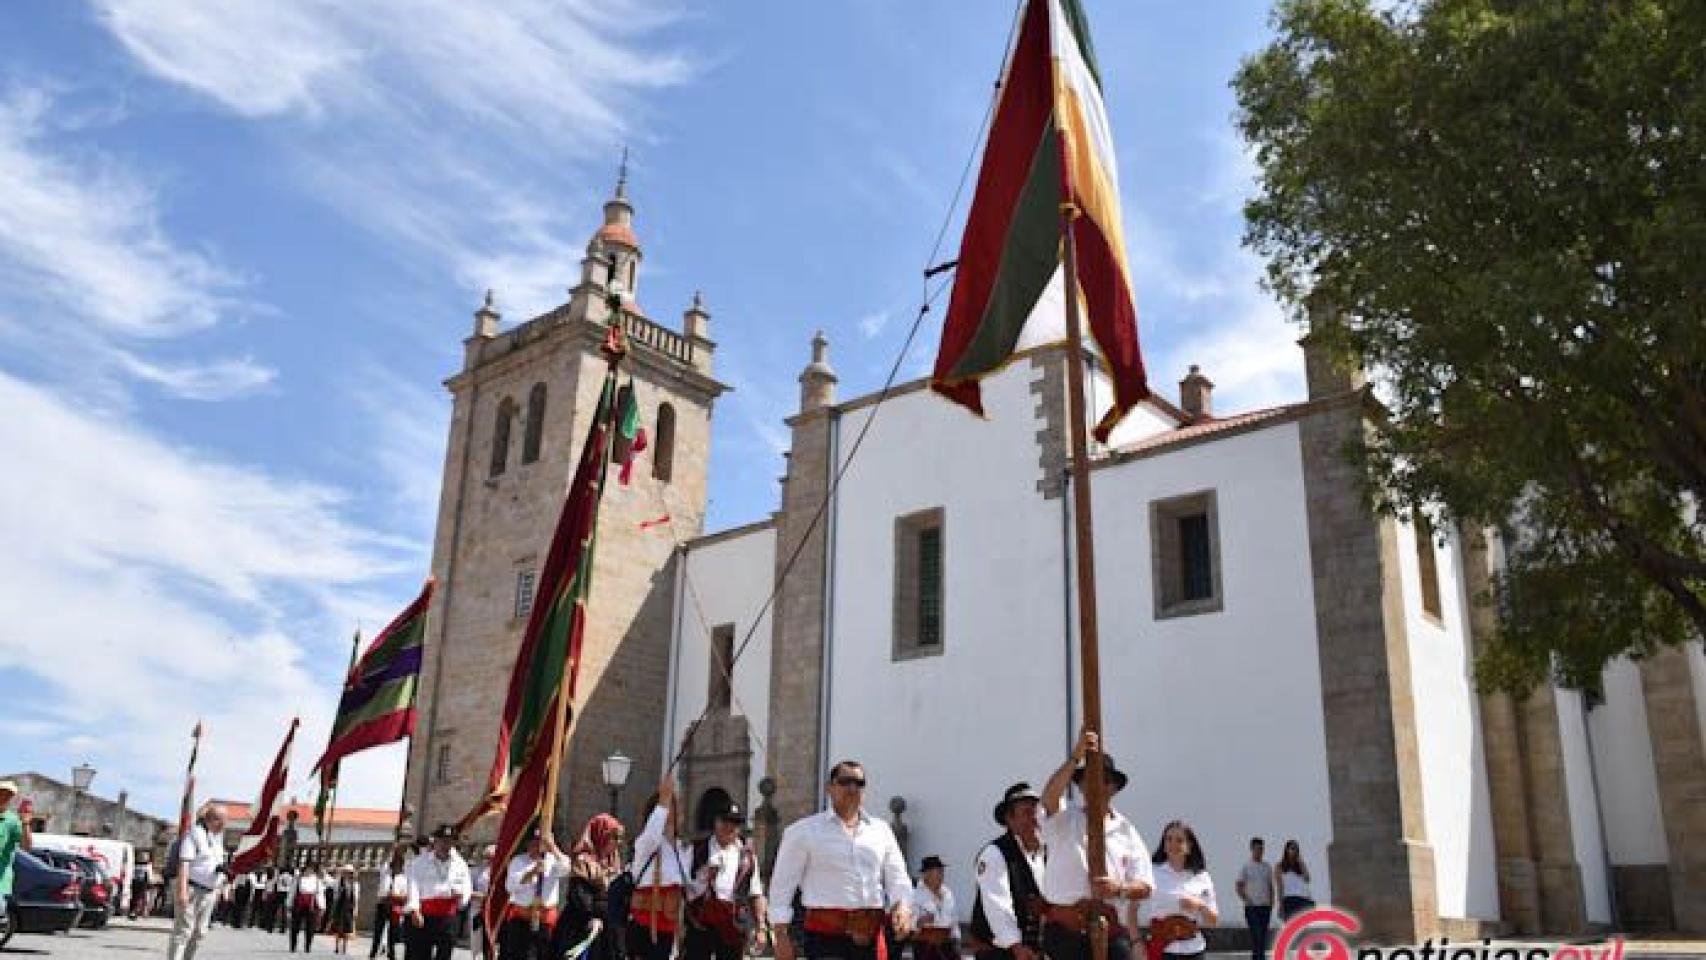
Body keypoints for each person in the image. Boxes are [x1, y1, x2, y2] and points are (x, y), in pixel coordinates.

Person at [769, 760, 914, 960]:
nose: (853, 788)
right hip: (826, 938)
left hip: (870, 937)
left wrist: (903, 905)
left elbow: (898, 878)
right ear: (830, 787)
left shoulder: (881, 831)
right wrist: (780, 936)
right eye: (845, 781)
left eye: (859, 783)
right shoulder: (803, 832)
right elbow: (782, 886)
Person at [1039, 730, 1153, 960]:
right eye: (1087, 779)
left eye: (1101, 780)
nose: (1093, 786)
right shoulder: (1063, 819)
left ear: (1113, 788)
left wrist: (1118, 888)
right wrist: (1075, 756)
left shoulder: (1126, 830)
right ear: (1080, 787)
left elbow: (1146, 885)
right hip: (1067, 932)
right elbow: (1049, 797)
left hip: (1109, 929)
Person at [969, 782, 1048, 960]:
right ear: (1010, 820)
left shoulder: (1044, 852)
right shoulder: (994, 854)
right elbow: (996, 904)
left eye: (1037, 812)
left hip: (1032, 948)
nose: (1035, 819)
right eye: (1028, 813)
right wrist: (1016, 945)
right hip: (999, 951)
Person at [684, 803, 767, 960]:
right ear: (716, 822)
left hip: (733, 926)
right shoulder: (696, 849)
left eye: (735, 823)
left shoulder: (747, 857)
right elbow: (682, 885)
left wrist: (761, 927)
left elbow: (756, 894)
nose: (729, 826)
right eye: (725, 821)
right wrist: (704, 877)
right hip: (700, 923)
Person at [628, 776, 691, 960]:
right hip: (645, 926)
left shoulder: (681, 849)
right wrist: (663, 801)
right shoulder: (647, 844)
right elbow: (652, 834)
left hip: (669, 927)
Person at [1139, 821, 1217, 960]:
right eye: (1168, 839)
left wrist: (1199, 906)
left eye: (1179, 840)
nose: (1173, 844)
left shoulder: (1201, 876)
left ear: (1189, 846)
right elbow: (1132, 909)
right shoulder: (1151, 872)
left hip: (1193, 949)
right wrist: (1136, 942)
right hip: (1162, 948)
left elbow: (1213, 920)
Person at [555, 813, 625, 960]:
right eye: (614, 838)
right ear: (601, 836)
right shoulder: (584, 862)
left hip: (607, 930)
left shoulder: (613, 864)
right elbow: (579, 893)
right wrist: (592, 917)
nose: (618, 843)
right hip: (582, 926)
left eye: (619, 838)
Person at [498, 829, 571, 960]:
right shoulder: (518, 861)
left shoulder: (553, 860)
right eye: (534, 843)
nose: (537, 847)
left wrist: (553, 847)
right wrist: (531, 873)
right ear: (528, 844)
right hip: (522, 918)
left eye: (540, 844)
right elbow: (510, 887)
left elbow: (566, 868)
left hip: (544, 919)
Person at [168, 803, 228, 960]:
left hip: (209, 892)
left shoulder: (216, 839)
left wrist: (221, 873)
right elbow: (184, 863)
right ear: (212, 819)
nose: (224, 824)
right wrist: (182, 891)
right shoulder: (194, 834)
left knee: (200, 933)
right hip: (191, 889)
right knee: (183, 932)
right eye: (221, 820)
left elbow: (211, 863)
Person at [405, 824, 473, 960]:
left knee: (444, 954)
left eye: (449, 841)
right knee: (419, 954)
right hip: (424, 914)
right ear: (434, 841)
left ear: (454, 843)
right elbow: (413, 886)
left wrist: (461, 898)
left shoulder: (460, 864)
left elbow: (467, 887)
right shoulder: (420, 862)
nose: (445, 845)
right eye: (441, 841)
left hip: (448, 916)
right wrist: (415, 910)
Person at [0, 782, 34, 941]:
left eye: (7, 795)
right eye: (1, 792)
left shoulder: (12, 821)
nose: (3, 797)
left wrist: (26, 822)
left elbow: (26, 846)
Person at [908, 856, 957, 960]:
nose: (941, 876)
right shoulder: (915, 895)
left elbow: (953, 918)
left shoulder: (947, 893)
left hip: (948, 944)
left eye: (942, 872)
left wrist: (956, 940)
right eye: (938, 872)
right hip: (926, 946)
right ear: (926, 875)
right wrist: (918, 921)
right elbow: (910, 921)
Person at [1235, 838, 1275, 960]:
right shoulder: (1246, 867)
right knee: (1256, 935)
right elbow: (1238, 886)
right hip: (1252, 908)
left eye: (1261, 849)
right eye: (1257, 849)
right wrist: (1246, 899)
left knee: (1262, 937)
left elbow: (1270, 885)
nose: (1260, 851)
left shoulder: (1267, 867)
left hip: (1265, 907)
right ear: (1252, 849)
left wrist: (1272, 901)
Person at [373, 847, 410, 960]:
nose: (396, 866)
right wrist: (393, 849)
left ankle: (391, 952)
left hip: (395, 905)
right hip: (383, 903)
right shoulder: (385, 872)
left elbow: (406, 896)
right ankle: (374, 951)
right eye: (394, 863)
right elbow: (384, 859)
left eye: (398, 864)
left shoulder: (404, 878)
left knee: (393, 931)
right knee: (378, 929)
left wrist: (395, 896)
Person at [291, 859, 328, 952]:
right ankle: (293, 945)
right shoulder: (298, 878)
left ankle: (307, 946)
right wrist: (289, 903)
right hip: (299, 904)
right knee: (295, 926)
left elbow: (320, 893)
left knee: (310, 927)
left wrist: (322, 907)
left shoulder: (316, 880)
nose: (309, 870)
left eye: (311, 869)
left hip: (311, 904)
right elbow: (292, 891)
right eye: (308, 868)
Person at [1276, 842, 1313, 921]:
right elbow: (1280, 886)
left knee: (1305, 928)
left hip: (1304, 899)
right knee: (1292, 926)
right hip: (1290, 900)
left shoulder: (1300, 865)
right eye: (1292, 849)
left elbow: (1307, 879)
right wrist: (1281, 905)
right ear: (1286, 850)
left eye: (1296, 849)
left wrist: (1301, 862)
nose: (1294, 851)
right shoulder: (1279, 866)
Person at [328, 865, 361, 954]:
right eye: (345, 872)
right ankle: (337, 946)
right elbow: (335, 893)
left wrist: (356, 909)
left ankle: (344, 946)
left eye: (349, 873)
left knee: (347, 928)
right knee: (338, 927)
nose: (347, 874)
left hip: (349, 906)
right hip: (340, 906)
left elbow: (356, 898)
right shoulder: (339, 883)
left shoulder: (355, 884)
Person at [471, 845, 495, 960]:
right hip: (478, 910)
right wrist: (484, 897)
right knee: (477, 940)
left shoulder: (501, 871)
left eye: (492, 857)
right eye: (487, 856)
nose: (489, 859)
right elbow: (468, 891)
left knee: (491, 940)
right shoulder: (475, 871)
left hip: (494, 911)